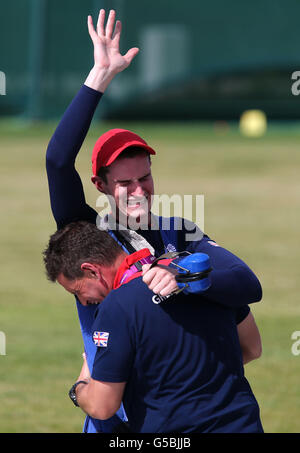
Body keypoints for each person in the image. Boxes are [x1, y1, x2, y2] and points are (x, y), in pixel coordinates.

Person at [45, 9, 262, 432]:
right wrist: (99, 78)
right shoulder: (88, 235)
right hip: (109, 403)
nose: (140, 189)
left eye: (145, 177)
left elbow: (246, 284)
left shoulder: (178, 231)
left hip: (169, 405)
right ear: (101, 184)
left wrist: (182, 273)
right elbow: (56, 161)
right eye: (125, 182)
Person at [43, 221, 263, 433]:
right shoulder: (198, 274)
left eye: (77, 292)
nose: (83, 303)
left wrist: (80, 387)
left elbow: (102, 406)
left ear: (92, 270)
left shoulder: (117, 307)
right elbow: (252, 347)